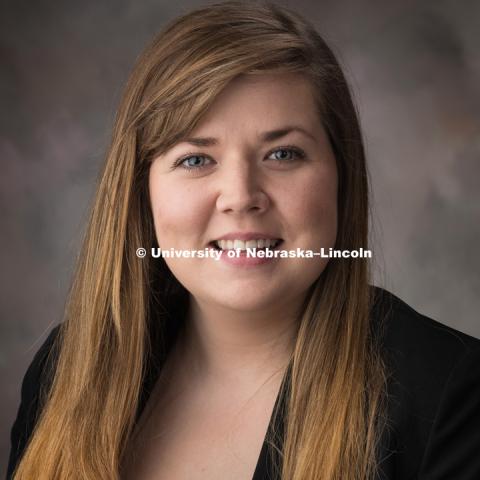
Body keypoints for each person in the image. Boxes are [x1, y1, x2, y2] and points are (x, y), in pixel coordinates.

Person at [7, 2, 480, 479]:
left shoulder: (450, 393)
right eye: (195, 159)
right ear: (139, 190)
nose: (240, 197)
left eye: (282, 153)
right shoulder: (64, 370)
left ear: (341, 176)